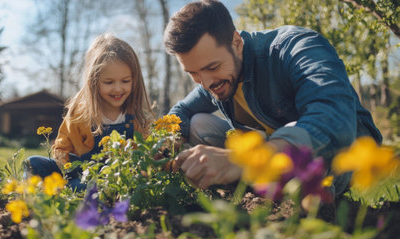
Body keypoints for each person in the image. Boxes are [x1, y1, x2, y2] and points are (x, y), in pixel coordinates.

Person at [164, 0, 382, 197]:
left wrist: (242, 160)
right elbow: (181, 110)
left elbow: (334, 120)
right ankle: (254, 194)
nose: (205, 82)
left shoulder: (296, 47)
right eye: (192, 73)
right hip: (274, 156)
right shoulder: (213, 80)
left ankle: (302, 198)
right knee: (198, 124)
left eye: (212, 67)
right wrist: (168, 141)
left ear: (236, 42)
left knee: (297, 132)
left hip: (342, 153)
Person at [26, 33, 153, 191]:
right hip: (81, 172)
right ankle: (53, 188)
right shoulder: (80, 114)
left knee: (88, 187)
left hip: (116, 177)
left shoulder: (136, 117)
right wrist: (64, 164)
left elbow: (146, 152)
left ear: (134, 80)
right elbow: (62, 145)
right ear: (93, 81)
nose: (118, 88)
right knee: (34, 163)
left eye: (125, 81)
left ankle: (68, 190)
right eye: (109, 82)